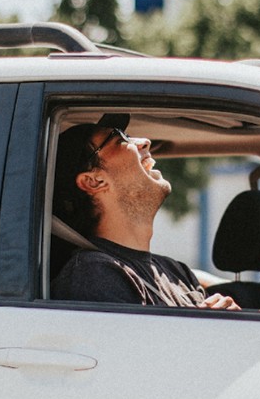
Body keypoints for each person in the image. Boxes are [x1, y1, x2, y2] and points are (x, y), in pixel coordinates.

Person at [50, 116, 239, 310]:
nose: (145, 142)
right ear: (94, 181)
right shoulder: (92, 274)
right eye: (120, 139)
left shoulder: (176, 271)